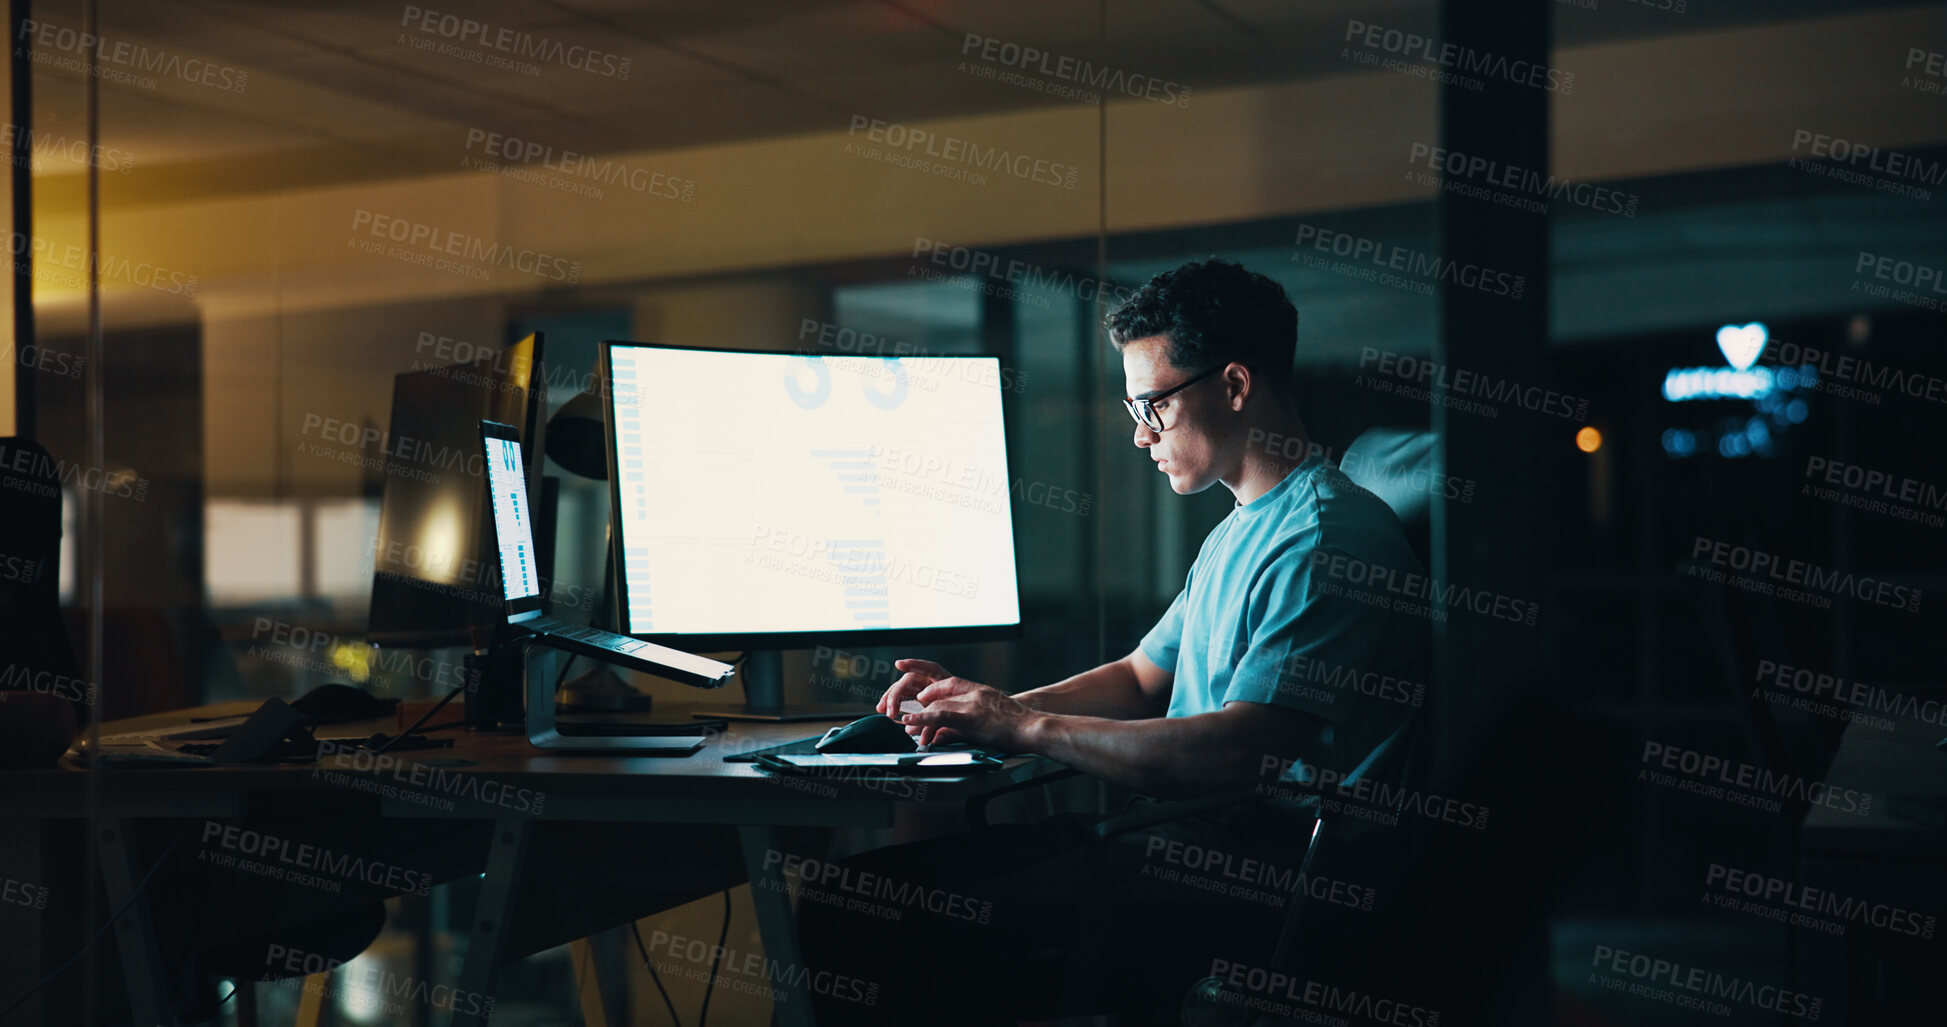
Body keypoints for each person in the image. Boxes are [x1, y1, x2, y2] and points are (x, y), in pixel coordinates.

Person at [798, 258, 1431, 1024]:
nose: (1139, 435)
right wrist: (978, 707)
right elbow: (1139, 677)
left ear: (1233, 385)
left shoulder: (1325, 539)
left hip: (1241, 877)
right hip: (1171, 843)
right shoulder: (1243, 528)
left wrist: (1020, 724)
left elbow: (1242, 750)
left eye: (1152, 407)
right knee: (852, 892)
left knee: (864, 917)